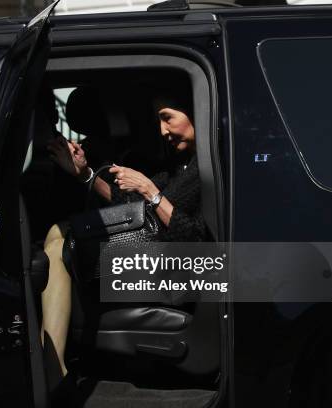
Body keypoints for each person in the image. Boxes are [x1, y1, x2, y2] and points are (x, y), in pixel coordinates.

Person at [42, 91, 208, 399]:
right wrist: (86, 174)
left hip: (172, 265)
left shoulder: (208, 165)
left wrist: (151, 191)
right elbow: (132, 205)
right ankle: (53, 362)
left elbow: (195, 239)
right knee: (57, 232)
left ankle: (55, 368)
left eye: (167, 118)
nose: (163, 130)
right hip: (153, 250)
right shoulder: (181, 162)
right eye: (158, 120)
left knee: (57, 250)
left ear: (195, 111)